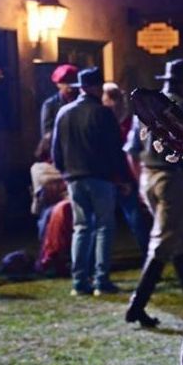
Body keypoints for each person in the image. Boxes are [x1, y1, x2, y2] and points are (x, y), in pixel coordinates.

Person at [125, 59, 183, 327]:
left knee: (176, 238)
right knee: (163, 242)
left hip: (148, 176)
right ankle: (137, 304)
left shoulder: (147, 106)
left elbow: (132, 150)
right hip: (171, 178)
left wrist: (141, 181)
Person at [52, 67, 132, 296]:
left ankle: (79, 282)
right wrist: (123, 178)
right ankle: (101, 280)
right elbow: (114, 150)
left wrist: (65, 172)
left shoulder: (64, 113)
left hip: (74, 178)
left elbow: (56, 150)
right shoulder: (102, 113)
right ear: (96, 87)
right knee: (104, 227)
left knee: (81, 228)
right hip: (100, 177)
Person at [102, 82, 151, 254]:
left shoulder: (128, 122)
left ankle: (148, 253)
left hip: (126, 177)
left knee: (135, 218)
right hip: (109, 177)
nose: (115, 103)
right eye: (111, 98)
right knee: (104, 223)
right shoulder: (102, 121)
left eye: (117, 98)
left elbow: (130, 151)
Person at [40, 64, 78, 138]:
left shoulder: (82, 101)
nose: (69, 85)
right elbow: (47, 132)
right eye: (65, 81)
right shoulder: (50, 104)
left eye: (72, 81)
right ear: (58, 84)